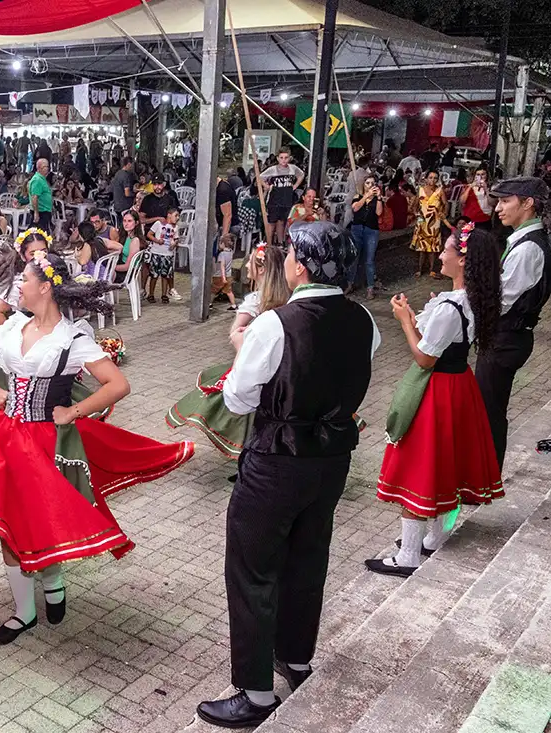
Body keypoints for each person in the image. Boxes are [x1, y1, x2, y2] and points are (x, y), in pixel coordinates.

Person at [0, 245, 193, 645]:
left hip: (45, 441)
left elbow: (118, 384)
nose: (18, 286)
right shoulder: (13, 326)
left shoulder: (72, 338)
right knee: (9, 526)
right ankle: (24, 612)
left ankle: (54, 582)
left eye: (24, 280)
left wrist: (75, 412)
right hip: (4, 436)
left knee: (42, 519)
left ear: (45, 288)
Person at [196, 222, 379, 728]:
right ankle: (295, 658)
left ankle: (255, 694)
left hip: (277, 459)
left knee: (253, 569)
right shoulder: (364, 318)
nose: (289, 259)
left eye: (295, 252)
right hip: (333, 459)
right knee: (308, 556)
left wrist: (244, 348)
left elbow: (238, 398)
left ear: (303, 264)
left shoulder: (275, 324)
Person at [367, 225, 502, 577]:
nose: (440, 255)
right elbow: (441, 343)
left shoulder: (448, 307)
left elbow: (425, 357)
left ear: (463, 259)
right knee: (447, 463)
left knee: (418, 465)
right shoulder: (475, 298)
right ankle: (435, 537)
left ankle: (409, 554)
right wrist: (415, 319)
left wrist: (403, 321)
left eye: (445, 250)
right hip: (461, 386)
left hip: (437, 389)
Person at [167, 244, 292, 455]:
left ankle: (250, 453)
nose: (247, 265)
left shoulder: (256, 300)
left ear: (261, 269)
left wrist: (242, 336)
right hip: (281, 370)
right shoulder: (287, 299)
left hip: (255, 367)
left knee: (246, 411)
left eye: (250, 260)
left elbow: (235, 334)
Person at [476, 177, 551, 469]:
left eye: (506, 201)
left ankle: (485, 474)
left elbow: (501, 301)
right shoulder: (524, 240)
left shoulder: (529, 248)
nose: (498, 208)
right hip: (507, 336)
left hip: (506, 337)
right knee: (489, 406)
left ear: (528, 203)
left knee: (488, 410)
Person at [347, 174, 384, 298]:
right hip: (357, 229)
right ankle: (349, 284)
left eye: (372, 183)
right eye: (368, 183)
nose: (370, 185)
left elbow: (379, 212)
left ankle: (370, 288)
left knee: (369, 260)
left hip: (371, 230)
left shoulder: (376, 199)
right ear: (363, 185)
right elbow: (355, 208)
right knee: (354, 257)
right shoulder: (358, 196)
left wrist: (378, 197)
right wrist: (365, 197)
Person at [259, 149, 305, 245]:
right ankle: (269, 244)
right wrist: (267, 186)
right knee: (272, 222)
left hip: (287, 197)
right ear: (278, 158)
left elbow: (301, 175)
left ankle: (280, 243)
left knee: (282, 221)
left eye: (286, 158)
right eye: (281, 158)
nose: (284, 160)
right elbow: (260, 177)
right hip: (275, 198)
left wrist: (295, 186)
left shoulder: (293, 168)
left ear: (289, 158)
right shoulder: (273, 169)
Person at [411, 170, 450, 279]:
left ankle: (432, 270)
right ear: (426, 178)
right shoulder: (420, 190)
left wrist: (445, 213)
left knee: (432, 248)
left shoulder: (439, 191)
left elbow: (446, 203)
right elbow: (414, 206)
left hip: (434, 222)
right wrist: (417, 214)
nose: (432, 180)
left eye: (435, 178)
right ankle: (419, 269)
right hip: (422, 221)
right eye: (431, 177)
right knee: (421, 248)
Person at [145, 207, 181, 303]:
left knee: (165, 275)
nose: (177, 218)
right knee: (154, 275)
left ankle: (164, 294)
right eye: (176, 215)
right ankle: (151, 294)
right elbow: (149, 234)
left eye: (178, 216)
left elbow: (176, 238)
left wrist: (174, 244)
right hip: (156, 252)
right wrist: (157, 240)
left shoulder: (176, 228)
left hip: (168, 253)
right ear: (169, 215)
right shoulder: (159, 224)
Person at [114, 210, 145, 284]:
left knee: (102, 272)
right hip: (122, 268)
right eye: (124, 221)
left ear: (136, 223)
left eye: (129, 221)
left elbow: (127, 266)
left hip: (127, 273)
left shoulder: (135, 240)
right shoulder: (126, 236)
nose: (126, 224)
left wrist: (111, 267)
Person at [211, 233, 238, 311]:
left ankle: (209, 303)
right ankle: (233, 305)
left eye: (220, 243)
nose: (219, 244)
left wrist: (223, 277)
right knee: (229, 291)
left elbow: (222, 266)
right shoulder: (231, 252)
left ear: (223, 244)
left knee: (213, 290)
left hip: (220, 275)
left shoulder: (222, 255)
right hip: (229, 275)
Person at [29, 158, 54, 232]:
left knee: (42, 232)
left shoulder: (42, 179)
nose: (48, 169)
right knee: (40, 233)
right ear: (40, 168)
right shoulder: (37, 180)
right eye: (46, 167)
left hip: (45, 211)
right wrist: (36, 213)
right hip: (40, 211)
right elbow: (34, 197)